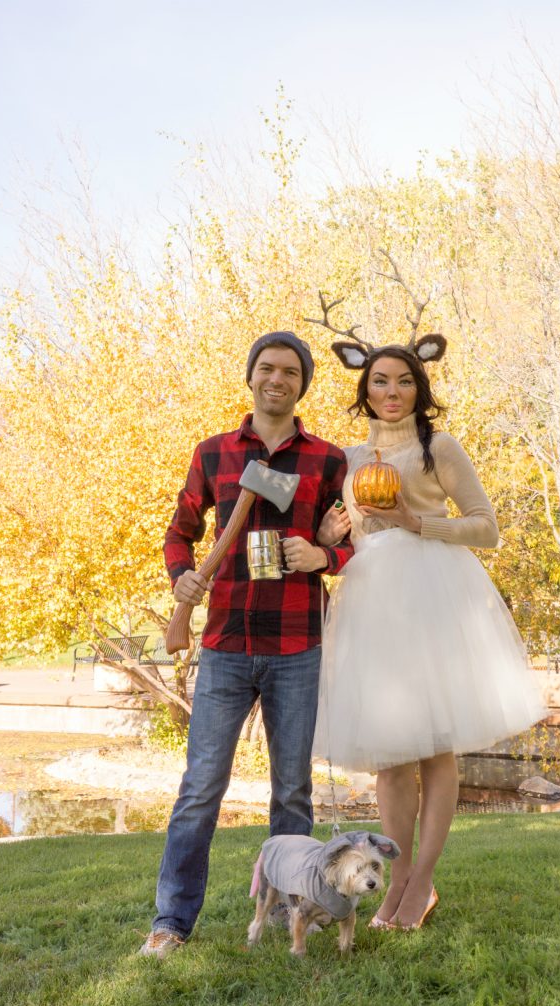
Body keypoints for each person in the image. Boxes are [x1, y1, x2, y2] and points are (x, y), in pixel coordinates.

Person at [313, 335, 546, 930]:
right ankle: (395, 882)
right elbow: (347, 532)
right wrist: (331, 536)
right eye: (380, 382)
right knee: (390, 760)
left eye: (404, 381)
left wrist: (418, 523)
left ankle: (420, 885)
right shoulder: (347, 457)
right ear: (364, 390)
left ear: (421, 387)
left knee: (437, 750)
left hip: (433, 595)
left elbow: (486, 528)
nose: (392, 393)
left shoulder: (437, 446)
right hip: (372, 601)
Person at [140, 331, 353, 958]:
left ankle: (297, 915)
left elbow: (356, 545)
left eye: (290, 371)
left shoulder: (328, 460)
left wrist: (324, 553)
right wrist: (181, 575)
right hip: (226, 643)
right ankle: (171, 923)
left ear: (302, 384)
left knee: (292, 791)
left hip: (296, 646)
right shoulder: (212, 454)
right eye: (267, 368)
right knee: (201, 787)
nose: (277, 379)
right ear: (251, 376)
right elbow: (179, 533)